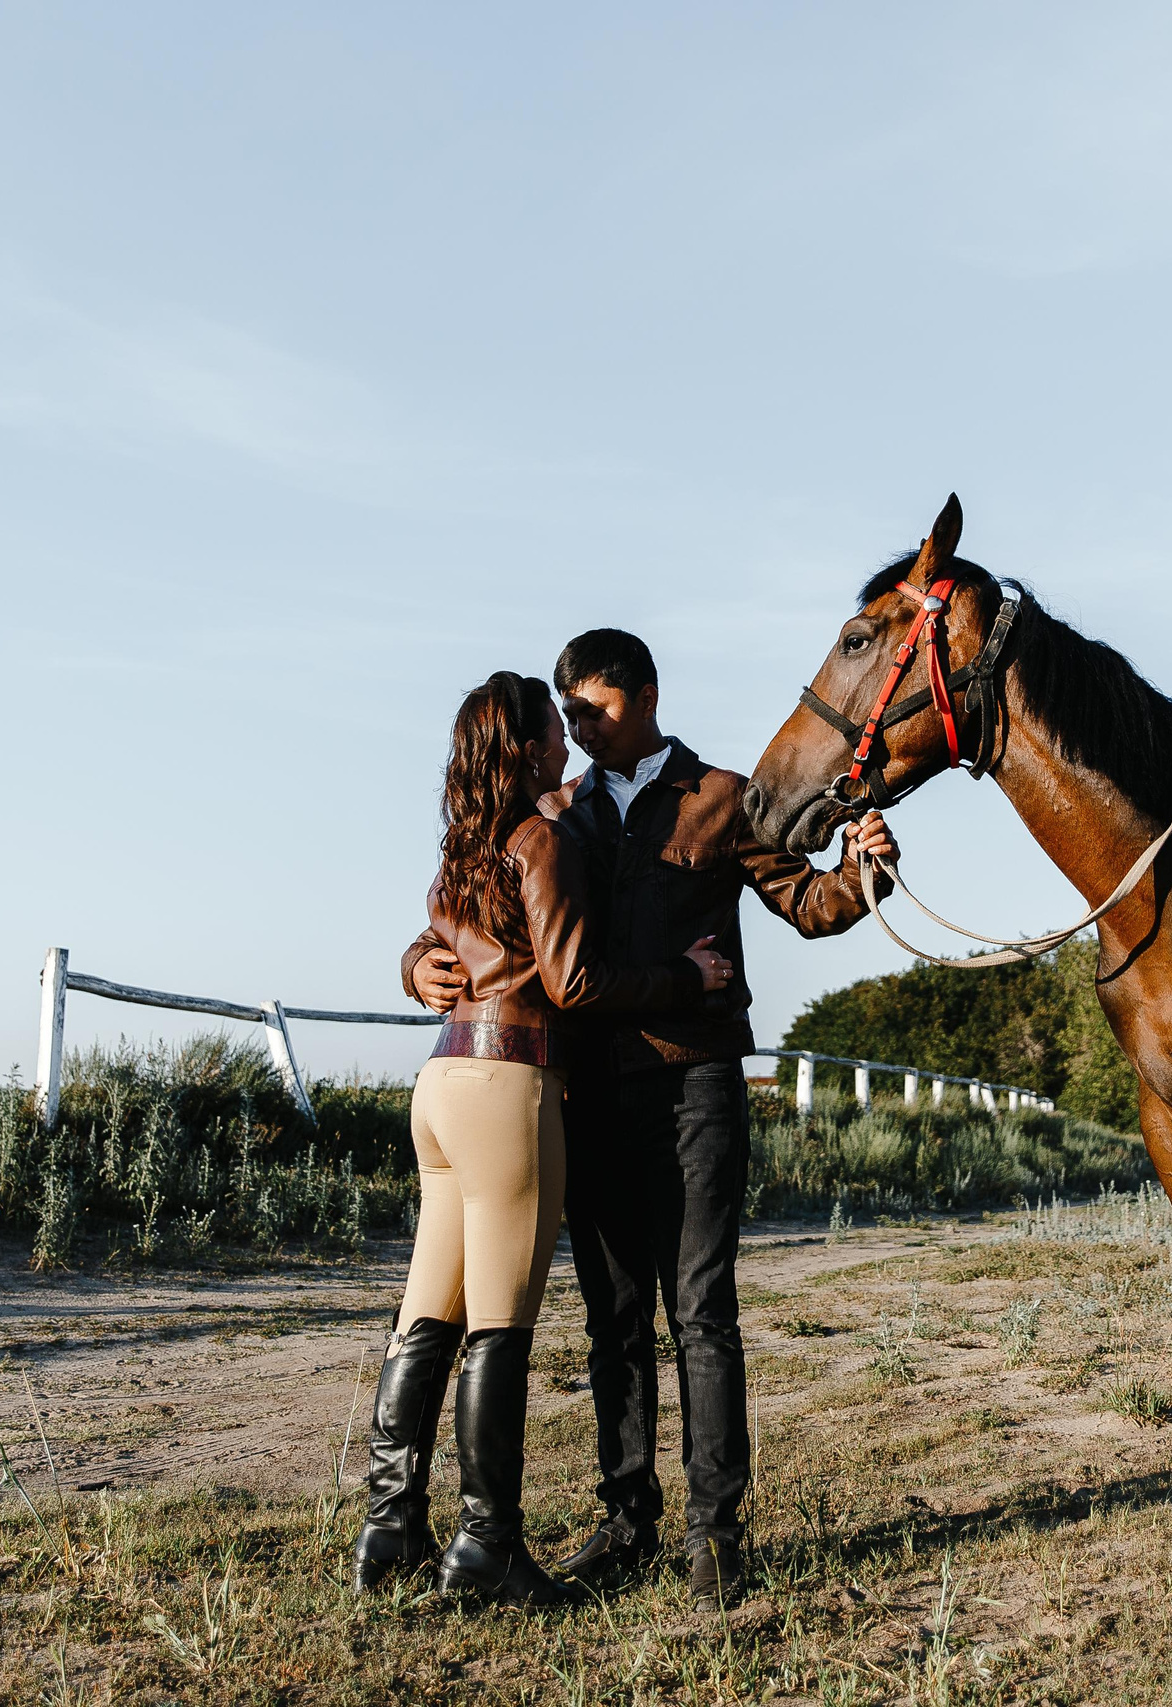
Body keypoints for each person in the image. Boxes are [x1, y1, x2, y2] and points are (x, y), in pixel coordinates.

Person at [405, 629, 895, 1609]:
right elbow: (459, 914)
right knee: (613, 1325)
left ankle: (717, 1537)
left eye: (596, 708)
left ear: (647, 695)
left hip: (696, 1086)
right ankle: (626, 1523)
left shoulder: (724, 798)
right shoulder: (554, 811)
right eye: (570, 714)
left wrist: (863, 872)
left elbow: (805, 901)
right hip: (585, 1094)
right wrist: (416, 967)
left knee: (702, 1315)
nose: (580, 729)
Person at [357, 669, 733, 1609]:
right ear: (528, 750)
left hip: (440, 1083)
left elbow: (443, 936)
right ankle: (488, 1545)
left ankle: (389, 1526)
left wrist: (414, 961)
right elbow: (572, 981)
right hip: (510, 1084)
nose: (567, 738)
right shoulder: (540, 836)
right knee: (498, 1324)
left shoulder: (465, 844)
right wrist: (687, 978)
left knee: (427, 1315)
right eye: (553, 728)